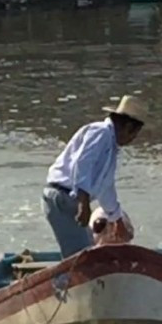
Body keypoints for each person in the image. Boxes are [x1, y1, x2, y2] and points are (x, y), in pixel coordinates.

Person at [43, 95, 145, 258]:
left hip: (70, 198)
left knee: (88, 250)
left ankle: (72, 280)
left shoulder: (111, 146)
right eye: (134, 135)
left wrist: (116, 219)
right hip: (62, 197)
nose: (132, 140)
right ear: (128, 127)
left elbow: (106, 187)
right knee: (81, 257)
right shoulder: (100, 133)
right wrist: (83, 202)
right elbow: (82, 164)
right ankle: (62, 283)